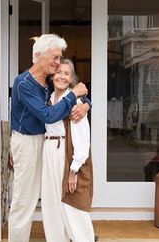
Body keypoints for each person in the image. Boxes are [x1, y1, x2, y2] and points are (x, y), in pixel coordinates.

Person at [9, 34, 91, 242]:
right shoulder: (23, 83)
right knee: (24, 200)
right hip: (27, 142)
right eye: (54, 57)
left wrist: (86, 104)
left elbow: (69, 92)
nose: (57, 62)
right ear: (39, 55)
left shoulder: (47, 82)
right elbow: (48, 115)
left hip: (46, 143)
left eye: (59, 58)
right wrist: (75, 96)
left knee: (53, 196)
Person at [41, 58, 94, 242]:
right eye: (58, 72)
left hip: (66, 153)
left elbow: (82, 141)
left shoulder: (76, 102)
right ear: (52, 75)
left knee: (73, 206)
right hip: (49, 151)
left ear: (72, 79)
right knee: (51, 205)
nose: (61, 77)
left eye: (66, 73)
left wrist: (73, 170)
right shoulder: (47, 97)